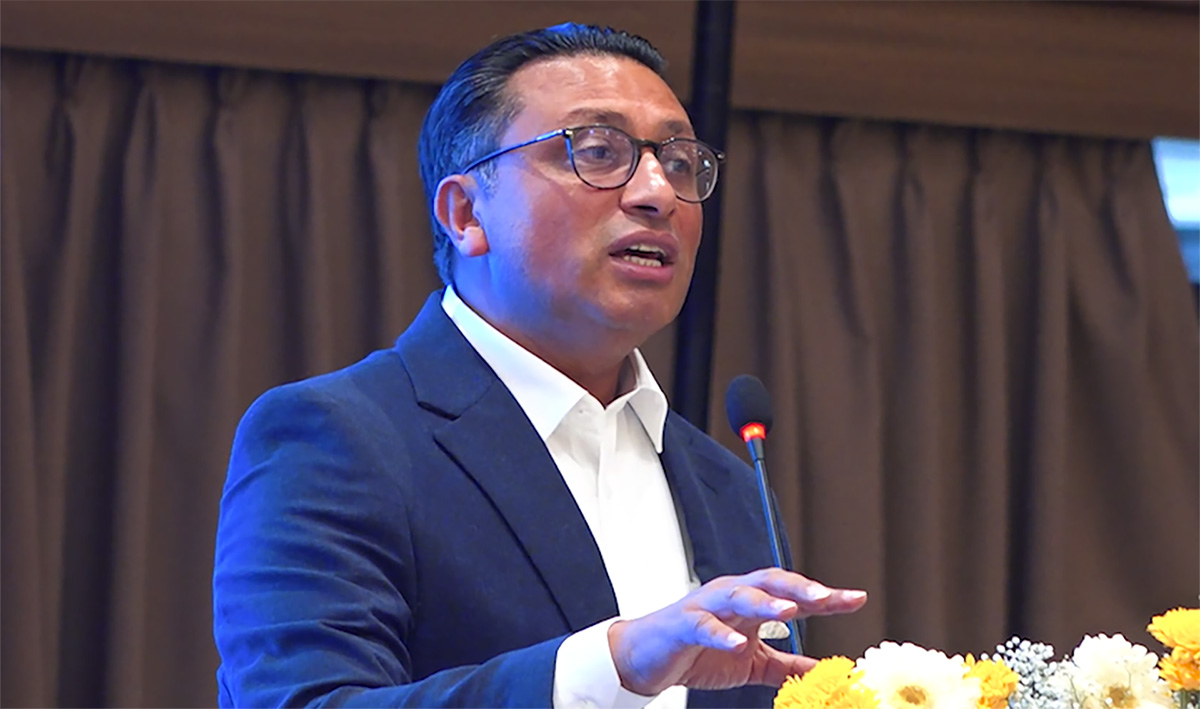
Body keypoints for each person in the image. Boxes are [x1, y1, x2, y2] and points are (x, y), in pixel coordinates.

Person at [212, 23, 867, 708]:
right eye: (598, 151)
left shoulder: (728, 486)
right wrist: (611, 666)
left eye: (678, 162)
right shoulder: (338, 437)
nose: (658, 193)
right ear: (467, 213)